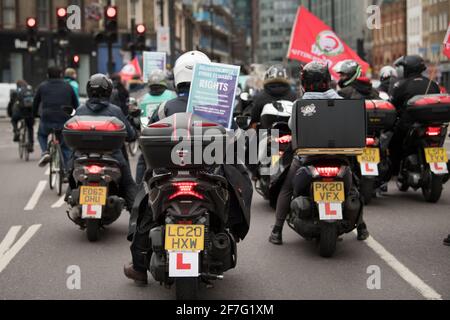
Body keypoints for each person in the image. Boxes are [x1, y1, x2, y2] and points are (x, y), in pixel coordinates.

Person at [124, 51, 253, 284]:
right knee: (241, 181)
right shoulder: (218, 108)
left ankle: (139, 266)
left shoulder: (164, 108)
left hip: (169, 176)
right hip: (209, 174)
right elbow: (237, 139)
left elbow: (148, 141)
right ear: (207, 78)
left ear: (176, 78)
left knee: (144, 204)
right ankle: (233, 230)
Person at [269, 61, 370, 245]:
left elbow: (292, 126)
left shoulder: (301, 103)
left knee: (287, 187)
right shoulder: (340, 101)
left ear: (305, 82)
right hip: (339, 156)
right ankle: (362, 228)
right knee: (353, 186)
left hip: (308, 157)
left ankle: (277, 230)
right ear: (327, 80)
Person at [68, 74, 137, 214]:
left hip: (82, 156)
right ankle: (136, 219)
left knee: (70, 172)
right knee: (128, 183)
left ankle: (70, 195)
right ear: (108, 91)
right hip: (113, 157)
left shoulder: (80, 110)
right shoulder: (115, 111)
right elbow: (130, 135)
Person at [389, 55, 441, 175]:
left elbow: (392, 105)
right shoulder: (432, 84)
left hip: (408, 125)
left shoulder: (401, 85)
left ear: (408, 69)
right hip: (432, 123)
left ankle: (394, 172)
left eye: (402, 67)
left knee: (394, 145)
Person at [135, 69, 177, 185]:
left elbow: (137, 119)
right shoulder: (172, 95)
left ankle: (139, 187)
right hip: (169, 138)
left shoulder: (142, 99)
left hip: (149, 139)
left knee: (142, 161)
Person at [33, 66, 79, 168]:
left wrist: (35, 115)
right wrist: (74, 115)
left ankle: (45, 152)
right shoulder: (68, 86)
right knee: (65, 146)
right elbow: (75, 104)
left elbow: (35, 103)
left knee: (41, 134)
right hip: (64, 118)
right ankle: (67, 170)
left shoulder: (42, 86)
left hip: (47, 117)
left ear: (47, 75)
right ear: (61, 75)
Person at [8, 80, 35, 151]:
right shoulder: (30, 91)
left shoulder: (16, 92)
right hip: (29, 113)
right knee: (30, 128)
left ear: (17, 85)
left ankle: (16, 131)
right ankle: (30, 144)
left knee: (14, 120)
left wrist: (11, 114)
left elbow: (11, 105)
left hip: (19, 113)